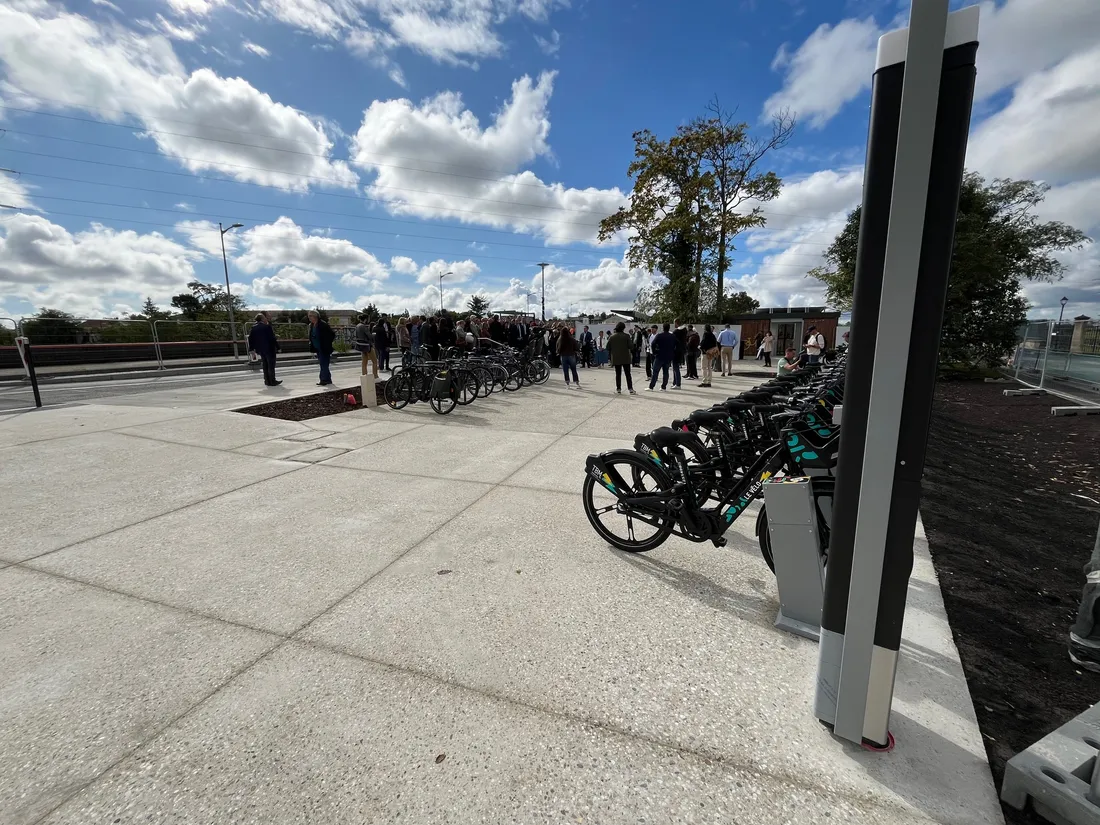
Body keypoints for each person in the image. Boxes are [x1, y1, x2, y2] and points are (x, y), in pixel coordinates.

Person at [247, 313, 281, 386]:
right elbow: (272, 338)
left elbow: (251, 339)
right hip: (270, 348)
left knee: (265, 365)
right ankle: (272, 381)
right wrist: (278, 347)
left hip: (261, 350)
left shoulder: (253, 328)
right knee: (271, 365)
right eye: (265, 318)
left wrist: (251, 349)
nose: (266, 319)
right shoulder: (267, 327)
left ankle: (267, 381)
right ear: (262, 319)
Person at [648, 323, 680, 391]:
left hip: (659, 355)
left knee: (655, 371)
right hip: (668, 356)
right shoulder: (672, 336)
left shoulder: (660, 335)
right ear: (669, 328)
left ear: (663, 328)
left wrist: (655, 352)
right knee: (665, 372)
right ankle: (663, 387)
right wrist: (673, 352)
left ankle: (651, 387)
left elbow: (653, 344)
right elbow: (678, 344)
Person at [606, 322, 636, 395]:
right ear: (623, 328)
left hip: (616, 358)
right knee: (628, 374)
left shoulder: (612, 337)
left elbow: (607, 347)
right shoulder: (627, 336)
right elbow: (631, 346)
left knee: (618, 374)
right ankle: (630, 389)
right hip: (626, 358)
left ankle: (618, 389)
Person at [307, 310, 335, 385]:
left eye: (310, 316)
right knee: (323, 364)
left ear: (315, 316)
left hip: (324, 347)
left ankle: (324, 379)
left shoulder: (323, 324)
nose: (309, 318)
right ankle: (327, 379)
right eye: (309, 316)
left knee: (323, 364)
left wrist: (326, 343)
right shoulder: (311, 325)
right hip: (317, 348)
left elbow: (332, 335)